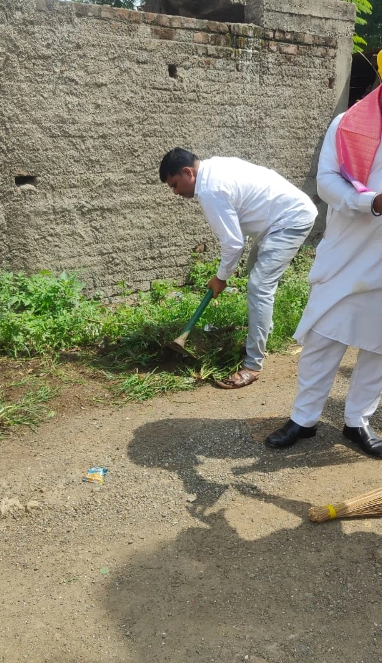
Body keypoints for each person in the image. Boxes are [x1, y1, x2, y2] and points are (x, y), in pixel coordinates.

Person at [266, 74, 382, 458]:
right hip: (347, 250)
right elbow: (326, 182)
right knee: (322, 338)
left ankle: (357, 421)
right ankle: (305, 418)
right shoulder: (348, 123)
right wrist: (371, 203)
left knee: (379, 347)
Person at [159, 148, 317, 388]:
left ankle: (253, 364)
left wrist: (221, 278)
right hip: (278, 220)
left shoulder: (210, 189)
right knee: (256, 274)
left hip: (290, 219)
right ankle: (262, 336)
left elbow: (234, 244)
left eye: (175, 184)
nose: (176, 192)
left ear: (188, 172)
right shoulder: (213, 169)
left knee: (259, 286)